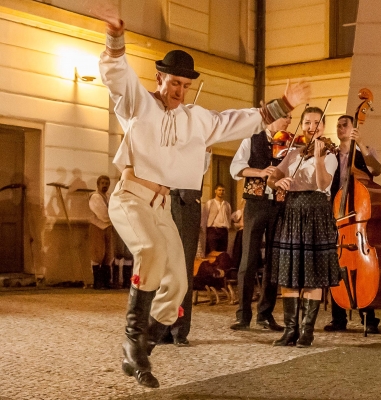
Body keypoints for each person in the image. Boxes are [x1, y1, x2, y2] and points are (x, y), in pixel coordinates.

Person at [94, 2, 310, 388]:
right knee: (152, 253)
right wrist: (114, 35)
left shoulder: (196, 119)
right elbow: (115, 74)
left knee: (178, 283)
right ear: (160, 78)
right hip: (130, 196)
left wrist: (283, 104)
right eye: (173, 82)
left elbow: (235, 121)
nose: (178, 90)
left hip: (162, 205)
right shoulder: (136, 104)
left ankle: (142, 348)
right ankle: (132, 341)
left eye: (184, 85)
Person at [267, 107, 340, 348]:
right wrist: (279, 181)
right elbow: (272, 177)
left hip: (316, 210)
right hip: (292, 210)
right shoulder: (293, 153)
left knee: (312, 274)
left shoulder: (330, 154)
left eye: (317, 123)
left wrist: (318, 159)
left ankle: (307, 331)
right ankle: (290, 330)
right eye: (307, 122)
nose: (312, 127)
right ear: (302, 125)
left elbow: (322, 183)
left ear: (323, 126)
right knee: (289, 273)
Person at [229, 115, 292, 331]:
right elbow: (236, 168)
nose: (289, 121)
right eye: (286, 116)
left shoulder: (288, 142)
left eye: (291, 117)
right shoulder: (251, 139)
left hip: (278, 204)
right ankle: (243, 315)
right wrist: (260, 172)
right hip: (255, 203)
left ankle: (265, 314)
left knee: (274, 261)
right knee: (248, 259)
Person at [324, 114, 381, 334]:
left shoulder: (364, 152)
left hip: (358, 217)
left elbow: (376, 170)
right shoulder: (332, 155)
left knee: (361, 263)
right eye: (338, 126)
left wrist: (363, 146)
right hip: (336, 215)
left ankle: (369, 317)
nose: (340, 128)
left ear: (354, 128)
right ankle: (338, 318)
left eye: (344, 125)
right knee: (335, 264)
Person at [160, 149, 211, 347]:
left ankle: (179, 329)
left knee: (183, 269)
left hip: (187, 204)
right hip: (163, 200)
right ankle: (162, 326)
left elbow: (202, 166)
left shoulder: (197, 136)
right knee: (165, 269)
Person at [88, 175, 114, 290]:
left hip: (108, 227)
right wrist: (114, 218)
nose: (105, 185)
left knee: (108, 254)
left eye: (107, 183)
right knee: (98, 253)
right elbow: (102, 214)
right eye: (102, 183)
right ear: (98, 184)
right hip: (98, 226)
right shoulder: (95, 197)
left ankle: (106, 282)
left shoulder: (108, 197)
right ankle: (97, 282)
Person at [201, 184, 232, 255]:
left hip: (223, 230)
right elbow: (204, 216)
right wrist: (204, 229)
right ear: (215, 191)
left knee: (222, 253)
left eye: (223, 190)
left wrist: (228, 227)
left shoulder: (227, 204)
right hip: (213, 230)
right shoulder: (210, 203)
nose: (221, 192)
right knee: (212, 252)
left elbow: (228, 217)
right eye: (219, 190)